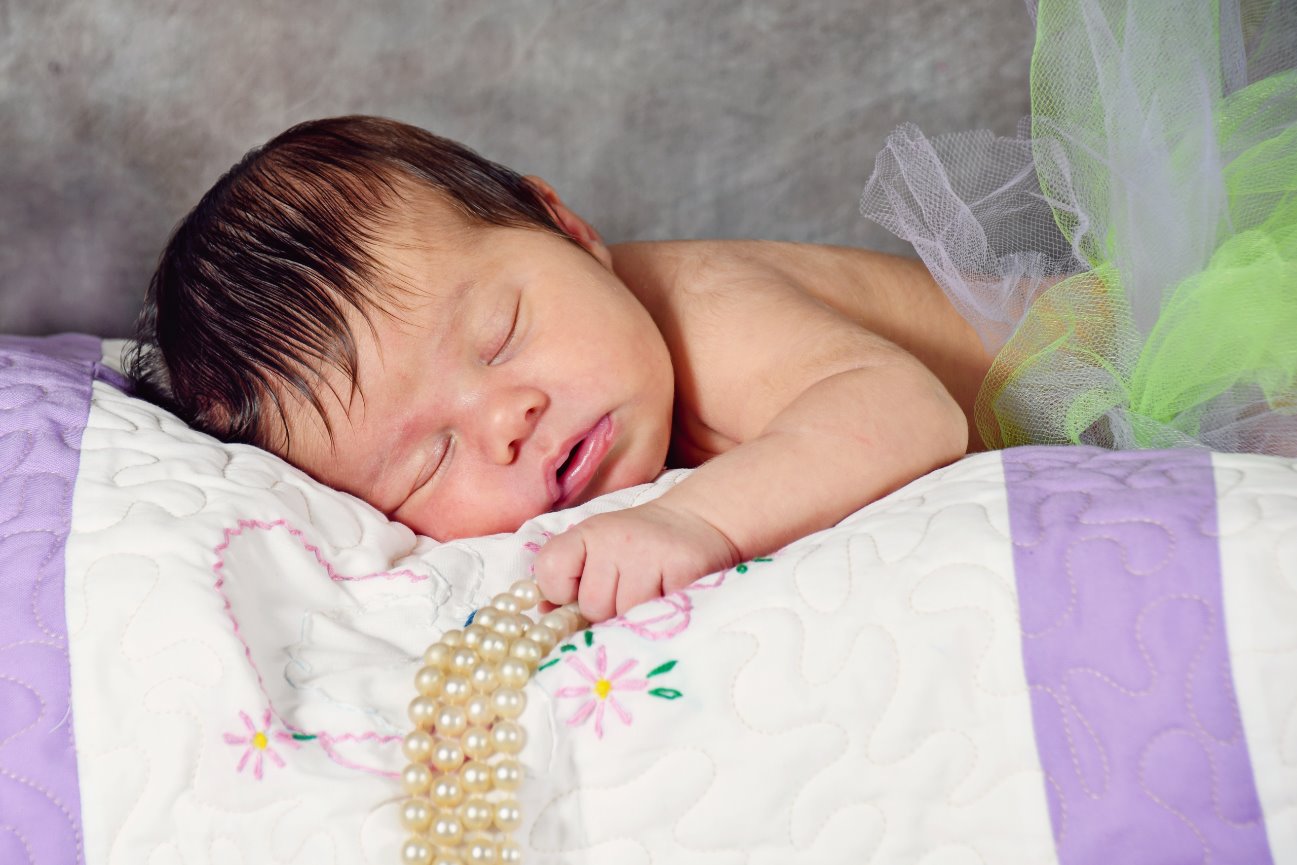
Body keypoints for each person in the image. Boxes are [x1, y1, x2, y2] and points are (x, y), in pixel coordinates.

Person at [128, 115, 991, 622]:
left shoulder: (705, 311)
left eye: (500, 336)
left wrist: (693, 523)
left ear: (566, 229)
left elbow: (906, 409)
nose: (506, 419)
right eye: (428, 458)